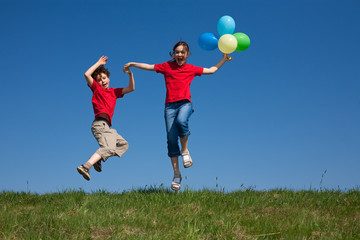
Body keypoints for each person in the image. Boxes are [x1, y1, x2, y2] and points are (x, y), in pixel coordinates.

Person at [124, 41, 229, 190]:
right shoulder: (167, 66)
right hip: (169, 107)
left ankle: (185, 150)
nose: (179, 54)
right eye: (177, 52)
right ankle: (176, 174)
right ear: (173, 54)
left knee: (181, 121)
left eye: (182, 52)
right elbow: (149, 66)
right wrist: (134, 64)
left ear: (187, 54)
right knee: (171, 138)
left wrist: (224, 59)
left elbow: (211, 70)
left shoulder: (191, 69)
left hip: (185, 103)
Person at [77, 56, 135, 181]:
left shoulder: (114, 92)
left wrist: (130, 74)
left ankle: (99, 159)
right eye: (99, 80)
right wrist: (98, 63)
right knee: (108, 148)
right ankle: (86, 166)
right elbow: (87, 74)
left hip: (107, 127)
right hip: (99, 124)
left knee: (123, 145)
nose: (102, 81)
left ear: (108, 78)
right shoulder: (97, 90)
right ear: (96, 83)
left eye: (104, 78)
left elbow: (131, 88)